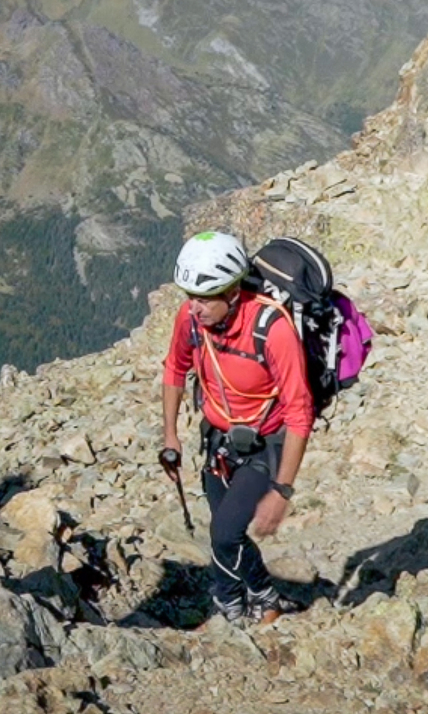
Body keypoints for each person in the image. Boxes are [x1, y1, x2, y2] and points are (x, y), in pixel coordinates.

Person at [159, 230, 312, 626]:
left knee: (226, 533)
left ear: (232, 292)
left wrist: (282, 490)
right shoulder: (191, 320)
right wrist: (171, 435)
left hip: (266, 444)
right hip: (218, 440)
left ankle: (261, 596)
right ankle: (230, 601)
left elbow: (299, 412)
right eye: (190, 296)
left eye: (205, 298)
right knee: (222, 530)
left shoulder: (272, 329)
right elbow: (175, 369)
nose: (194, 307)